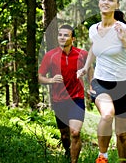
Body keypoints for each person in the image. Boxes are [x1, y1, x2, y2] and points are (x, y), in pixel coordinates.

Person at [77, 0, 126, 163]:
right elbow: (94, 47)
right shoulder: (93, 29)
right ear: (99, 2)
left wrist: (124, 40)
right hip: (100, 82)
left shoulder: (124, 29)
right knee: (107, 114)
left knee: (122, 135)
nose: (106, 2)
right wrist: (85, 67)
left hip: (123, 85)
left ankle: (122, 161)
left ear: (117, 5)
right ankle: (102, 157)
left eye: (110, 0)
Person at [38, 24, 93, 163]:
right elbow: (39, 76)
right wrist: (50, 80)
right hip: (59, 100)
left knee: (75, 133)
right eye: (60, 35)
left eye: (66, 35)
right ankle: (68, 154)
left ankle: (73, 161)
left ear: (73, 38)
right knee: (64, 135)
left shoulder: (82, 54)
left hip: (77, 99)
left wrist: (91, 85)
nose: (62, 37)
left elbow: (90, 69)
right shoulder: (50, 56)